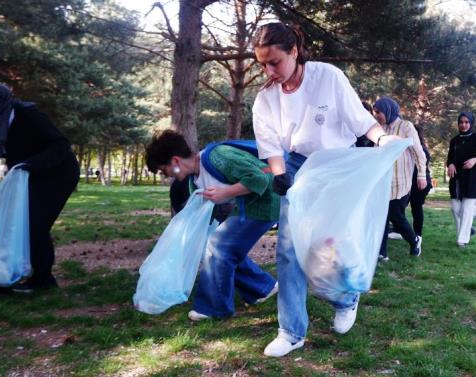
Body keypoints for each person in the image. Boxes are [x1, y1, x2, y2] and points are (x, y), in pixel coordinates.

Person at [251, 22, 397, 357]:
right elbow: (271, 145)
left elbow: (359, 120)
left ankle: (345, 298)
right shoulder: (266, 98)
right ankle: (291, 331)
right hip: (298, 167)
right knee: (288, 250)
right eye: (262, 64)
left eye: (274, 62)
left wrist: (383, 139)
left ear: (294, 52)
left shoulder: (327, 77)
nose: (269, 71)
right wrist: (279, 173)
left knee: (326, 249)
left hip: (337, 165)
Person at [144, 130, 279, 321]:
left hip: (267, 201)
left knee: (218, 246)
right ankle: (262, 288)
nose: (166, 175)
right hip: (248, 205)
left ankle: (214, 309)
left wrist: (226, 193)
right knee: (219, 246)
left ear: (175, 161)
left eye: (163, 170)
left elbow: (260, 178)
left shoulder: (217, 156)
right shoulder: (195, 180)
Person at [0, 80, 79, 298]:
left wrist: (31, 164)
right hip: (26, 175)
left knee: (34, 223)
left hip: (58, 173)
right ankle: (0, 277)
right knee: (11, 223)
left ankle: (42, 279)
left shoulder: (29, 116)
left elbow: (60, 145)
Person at [373, 97, 426, 261]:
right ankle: (382, 253)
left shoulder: (406, 127)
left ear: (388, 110)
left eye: (378, 112)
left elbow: (418, 152)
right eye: (375, 112)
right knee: (382, 215)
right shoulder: (380, 129)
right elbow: (376, 153)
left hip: (402, 181)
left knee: (396, 215)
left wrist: (422, 175)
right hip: (383, 181)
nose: (376, 116)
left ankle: (414, 240)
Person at [446, 111, 476, 247]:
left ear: (471, 123)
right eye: (461, 122)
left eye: (466, 122)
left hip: (472, 179)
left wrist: (475, 160)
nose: (463, 125)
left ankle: (462, 239)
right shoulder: (454, 140)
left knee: (466, 210)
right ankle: (467, 230)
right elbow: (450, 158)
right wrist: (451, 164)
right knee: (455, 209)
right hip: (456, 180)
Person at [409, 125, 433, 240]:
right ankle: (414, 233)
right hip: (414, 181)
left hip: (419, 182)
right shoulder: (416, 148)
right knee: (411, 207)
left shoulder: (421, 149)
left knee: (416, 207)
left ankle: (417, 235)